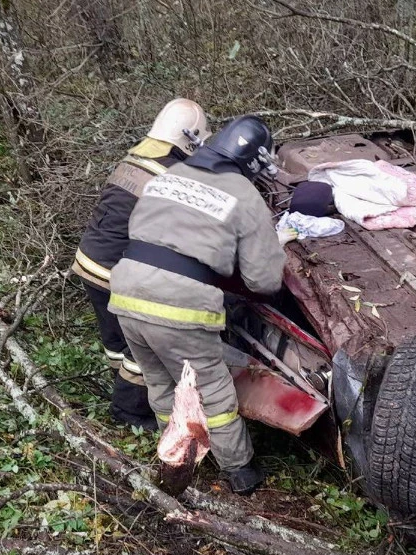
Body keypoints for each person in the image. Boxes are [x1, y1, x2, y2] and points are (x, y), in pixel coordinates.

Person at [108, 116, 286, 495]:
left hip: (125, 290)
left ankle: (176, 450)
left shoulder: (167, 176)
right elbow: (265, 281)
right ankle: (239, 471)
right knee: (213, 389)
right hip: (178, 304)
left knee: (159, 379)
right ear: (255, 164)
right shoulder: (244, 194)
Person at [72, 99, 210, 432]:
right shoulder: (174, 174)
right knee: (142, 347)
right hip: (118, 272)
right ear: (189, 139)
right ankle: (129, 411)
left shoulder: (136, 158)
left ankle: (122, 386)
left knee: (116, 339)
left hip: (89, 261)